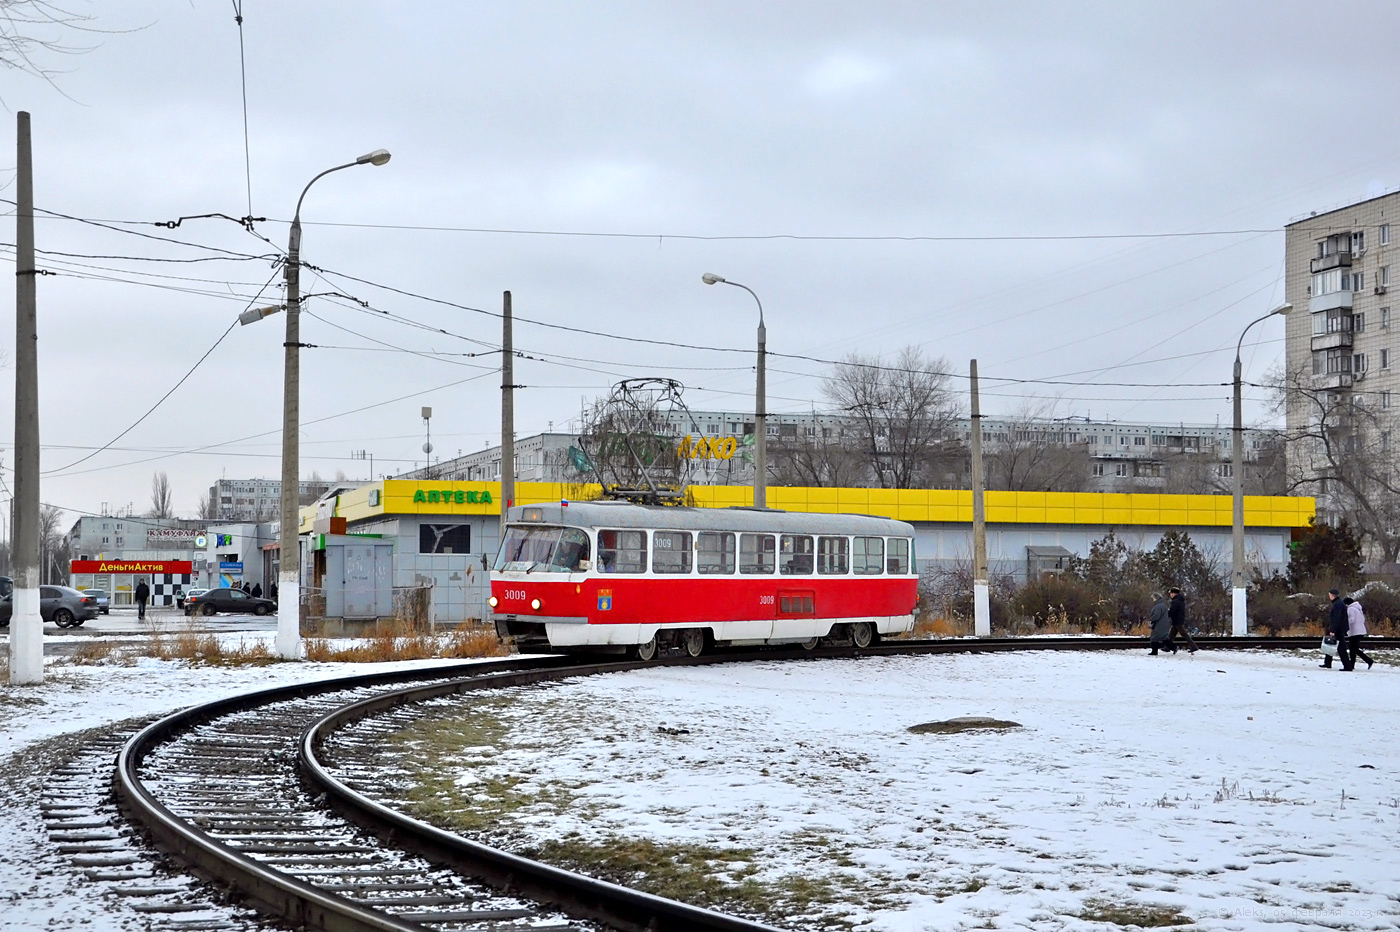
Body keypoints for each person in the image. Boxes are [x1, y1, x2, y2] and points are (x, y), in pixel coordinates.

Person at [1322, 588, 1354, 670]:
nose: (1329, 596)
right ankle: (1327, 662)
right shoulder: (1338, 603)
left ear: (1332, 595)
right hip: (1339, 628)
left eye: (1329, 595)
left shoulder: (1338, 605)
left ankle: (1347, 666)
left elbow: (1337, 618)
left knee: (1341, 648)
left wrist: (1333, 630)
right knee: (1330, 644)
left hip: (1338, 629)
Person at [1345, 596, 1374, 670]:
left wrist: (1344, 623)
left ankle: (1368, 660)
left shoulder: (1351, 609)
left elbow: (1351, 619)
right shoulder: (1358, 609)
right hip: (1360, 631)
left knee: (1353, 649)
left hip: (1354, 631)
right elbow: (1363, 619)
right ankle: (1353, 664)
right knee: (1353, 648)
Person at [1167, 587, 1199, 653]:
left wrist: (1167, 614)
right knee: (1172, 635)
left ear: (1173, 593)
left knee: (1183, 634)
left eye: (1170, 593)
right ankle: (1167, 647)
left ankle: (1194, 646)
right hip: (1178, 619)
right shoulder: (1180, 600)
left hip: (1177, 620)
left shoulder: (1175, 601)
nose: (1170, 595)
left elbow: (1172, 611)